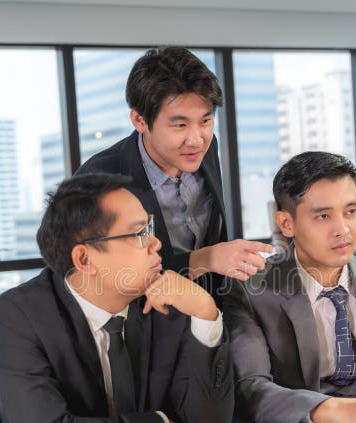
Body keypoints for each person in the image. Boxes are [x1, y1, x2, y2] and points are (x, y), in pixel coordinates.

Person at [0, 173, 234, 423]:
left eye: (150, 227)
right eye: (138, 233)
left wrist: (205, 313)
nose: (155, 243)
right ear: (85, 259)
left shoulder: (165, 298)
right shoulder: (19, 315)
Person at [223, 152, 356, 423]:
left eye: (351, 211)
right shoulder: (250, 291)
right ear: (286, 224)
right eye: (323, 216)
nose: (342, 229)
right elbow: (251, 389)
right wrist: (334, 410)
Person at [75, 46, 272, 287]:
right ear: (140, 120)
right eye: (180, 125)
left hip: (210, 310)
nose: (196, 139)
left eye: (206, 121)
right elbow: (105, 276)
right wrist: (205, 259)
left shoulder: (206, 148)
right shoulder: (99, 178)